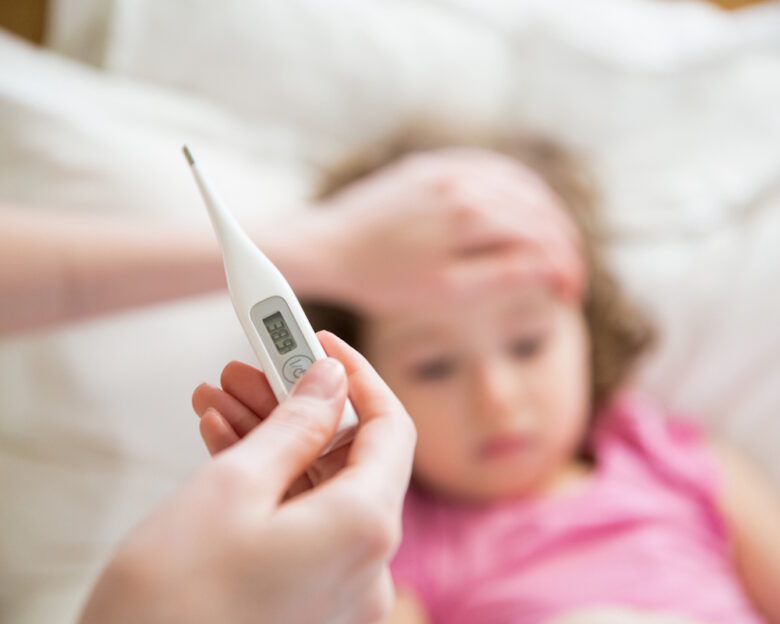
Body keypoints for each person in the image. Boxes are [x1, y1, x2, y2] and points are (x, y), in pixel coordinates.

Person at [193, 136, 780, 623]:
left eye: (527, 345)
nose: (495, 399)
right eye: (435, 366)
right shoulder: (389, 538)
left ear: (589, 329)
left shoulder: (675, 460)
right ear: (362, 379)